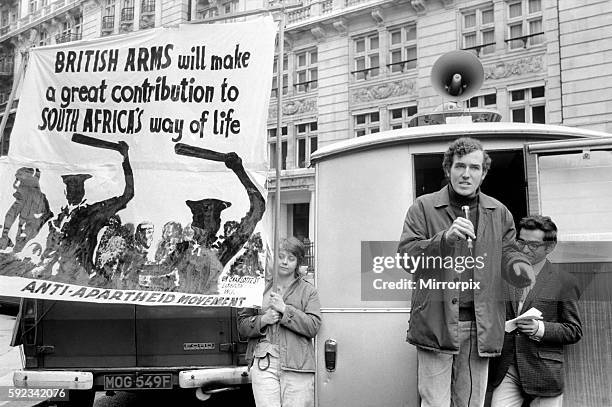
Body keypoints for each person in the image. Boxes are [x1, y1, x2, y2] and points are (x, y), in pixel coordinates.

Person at [397, 137, 535, 407]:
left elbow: (508, 254)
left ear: (483, 173)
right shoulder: (423, 207)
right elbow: (407, 258)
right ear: (448, 169)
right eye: (460, 166)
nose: (466, 174)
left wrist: (518, 267)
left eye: (474, 168)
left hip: (479, 325)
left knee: (470, 403)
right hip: (436, 324)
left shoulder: (500, 212)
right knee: (435, 403)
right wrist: (444, 240)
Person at [489, 215, 582, 407]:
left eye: (532, 245)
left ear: (549, 247)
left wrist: (540, 329)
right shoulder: (503, 275)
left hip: (544, 373)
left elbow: (574, 330)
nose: (524, 249)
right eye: (520, 242)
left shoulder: (564, 281)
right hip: (507, 368)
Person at [238, 237, 321, 407]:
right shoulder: (257, 288)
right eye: (281, 256)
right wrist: (263, 320)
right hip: (264, 362)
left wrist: (285, 310)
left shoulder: (308, 291)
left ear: (298, 262)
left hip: (297, 365)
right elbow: (242, 326)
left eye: (291, 258)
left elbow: (313, 326)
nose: (285, 262)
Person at [0, 167, 53, 252]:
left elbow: (11, 215)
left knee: (23, 224)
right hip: (31, 200)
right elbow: (11, 215)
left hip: (31, 201)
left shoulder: (25, 191)